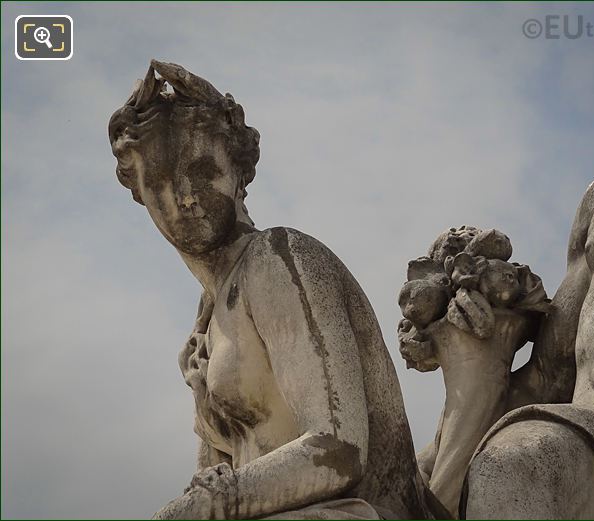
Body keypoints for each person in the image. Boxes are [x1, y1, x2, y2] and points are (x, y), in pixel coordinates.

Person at [108, 60, 442, 520]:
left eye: (203, 169)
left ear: (240, 173)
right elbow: (216, 475)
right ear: (140, 193)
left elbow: (339, 448)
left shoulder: (278, 259)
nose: (184, 195)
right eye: (162, 181)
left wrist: (210, 504)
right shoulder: (206, 320)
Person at [435, 48, 594, 519]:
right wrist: (480, 360)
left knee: (520, 459)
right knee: (512, 458)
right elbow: (549, 377)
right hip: (591, 432)